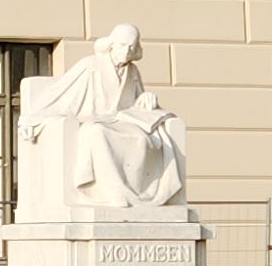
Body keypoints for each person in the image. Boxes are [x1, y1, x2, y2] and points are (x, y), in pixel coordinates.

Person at [17, 21, 188, 215]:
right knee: (96, 133)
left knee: (143, 139)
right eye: (123, 45)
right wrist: (32, 118)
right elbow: (61, 94)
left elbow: (135, 100)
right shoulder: (90, 65)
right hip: (93, 120)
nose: (127, 51)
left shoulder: (132, 70)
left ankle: (141, 195)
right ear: (112, 44)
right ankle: (114, 192)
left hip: (122, 121)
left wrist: (145, 98)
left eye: (131, 47)